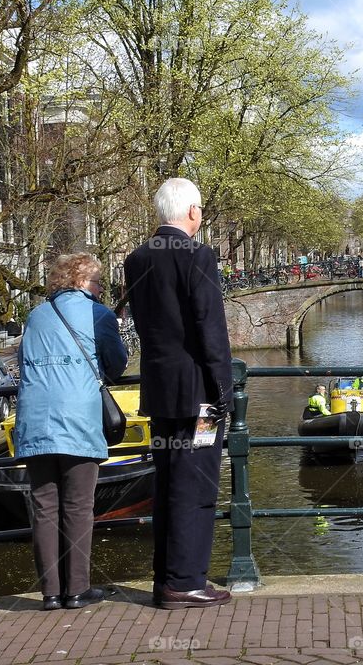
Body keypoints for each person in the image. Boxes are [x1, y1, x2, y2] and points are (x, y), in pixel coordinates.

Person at [124, 177, 234, 610]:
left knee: (168, 482)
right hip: (199, 397)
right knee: (197, 483)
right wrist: (223, 387)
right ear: (192, 212)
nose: (201, 217)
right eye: (201, 210)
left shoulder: (136, 259)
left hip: (160, 391)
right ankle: (186, 582)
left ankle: (164, 578)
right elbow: (211, 328)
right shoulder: (198, 254)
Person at [14, 253, 128, 611]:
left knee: (44, 507)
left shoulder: (35, 315)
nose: (99, 291)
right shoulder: (98, 314)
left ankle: (50, 593)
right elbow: (118, 363)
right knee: (78, 507)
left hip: (34, 420)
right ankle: (77, 590)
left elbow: (22, 362)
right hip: (77, 418)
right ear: (82, 283)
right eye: (97, 284)